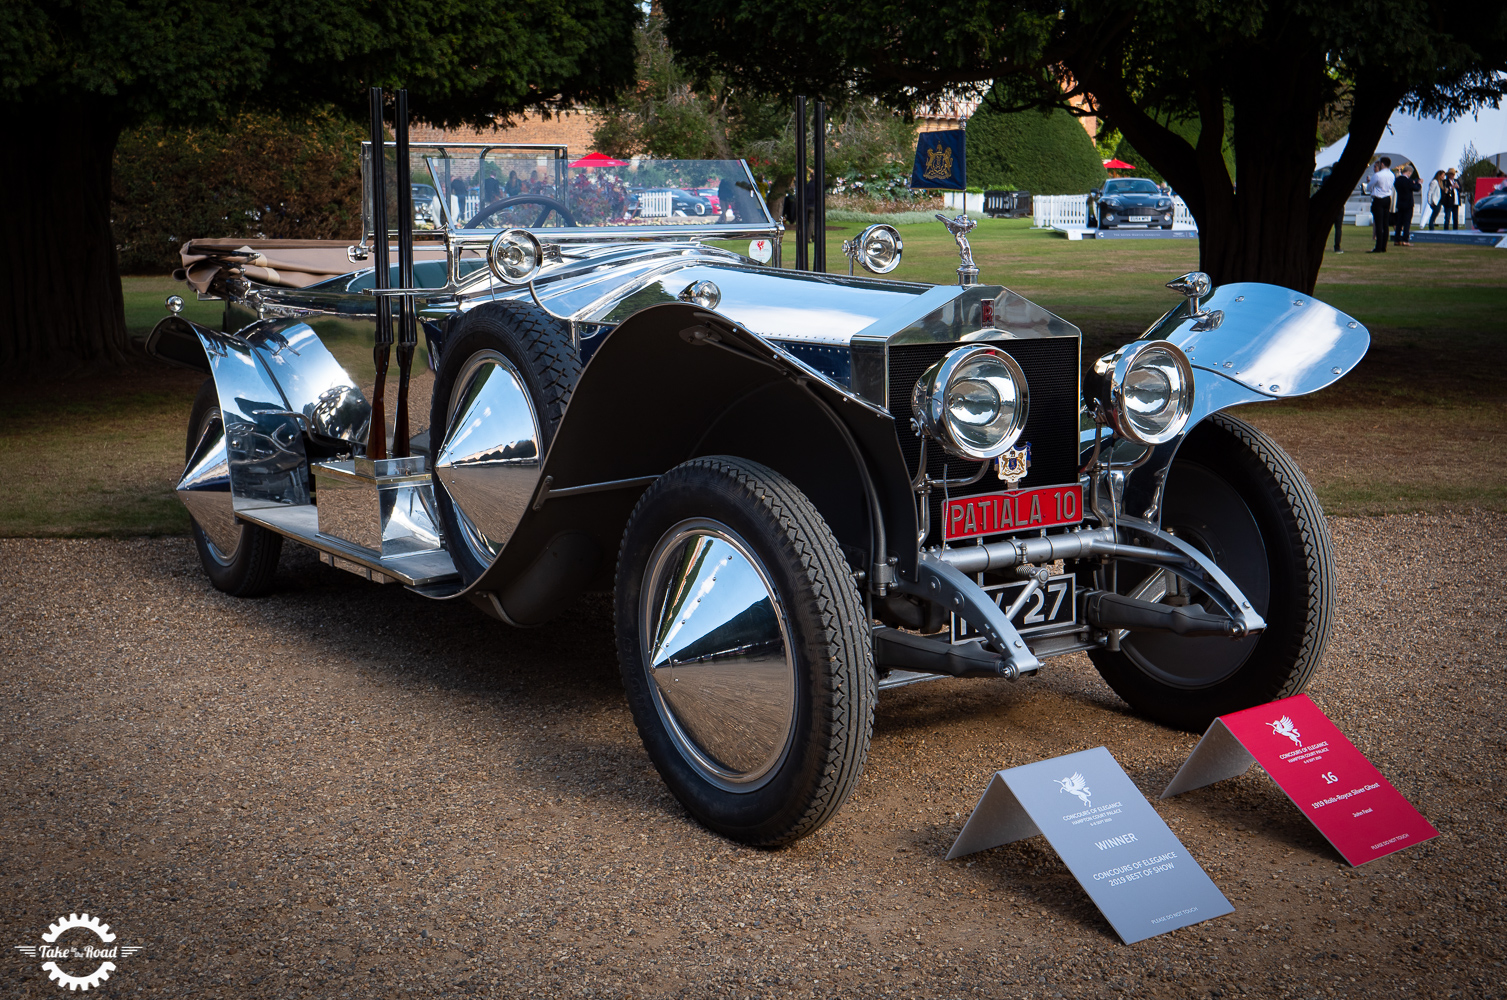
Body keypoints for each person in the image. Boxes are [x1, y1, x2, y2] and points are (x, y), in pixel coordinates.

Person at [1363, 157, 1395, 252]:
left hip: (1378, 198)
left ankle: (1378, 246)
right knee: (1385, 223)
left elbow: (1369, 188)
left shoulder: (1378, 175)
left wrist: (1370, 183)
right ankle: (1384, 246)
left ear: (1382, 164)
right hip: (1387, 198)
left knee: (1379, 223)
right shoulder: (1391, 175)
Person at [1392, 164, 1420, 245]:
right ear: (1409, 172)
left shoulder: (1397, 180)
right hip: (1408, 204)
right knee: (1407, 222)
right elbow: (1416, 189)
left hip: (1400, 203)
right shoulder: (1409, 181)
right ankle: (1405, 240)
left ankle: (1397, 240)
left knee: (1399, 222)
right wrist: (1419, 183)